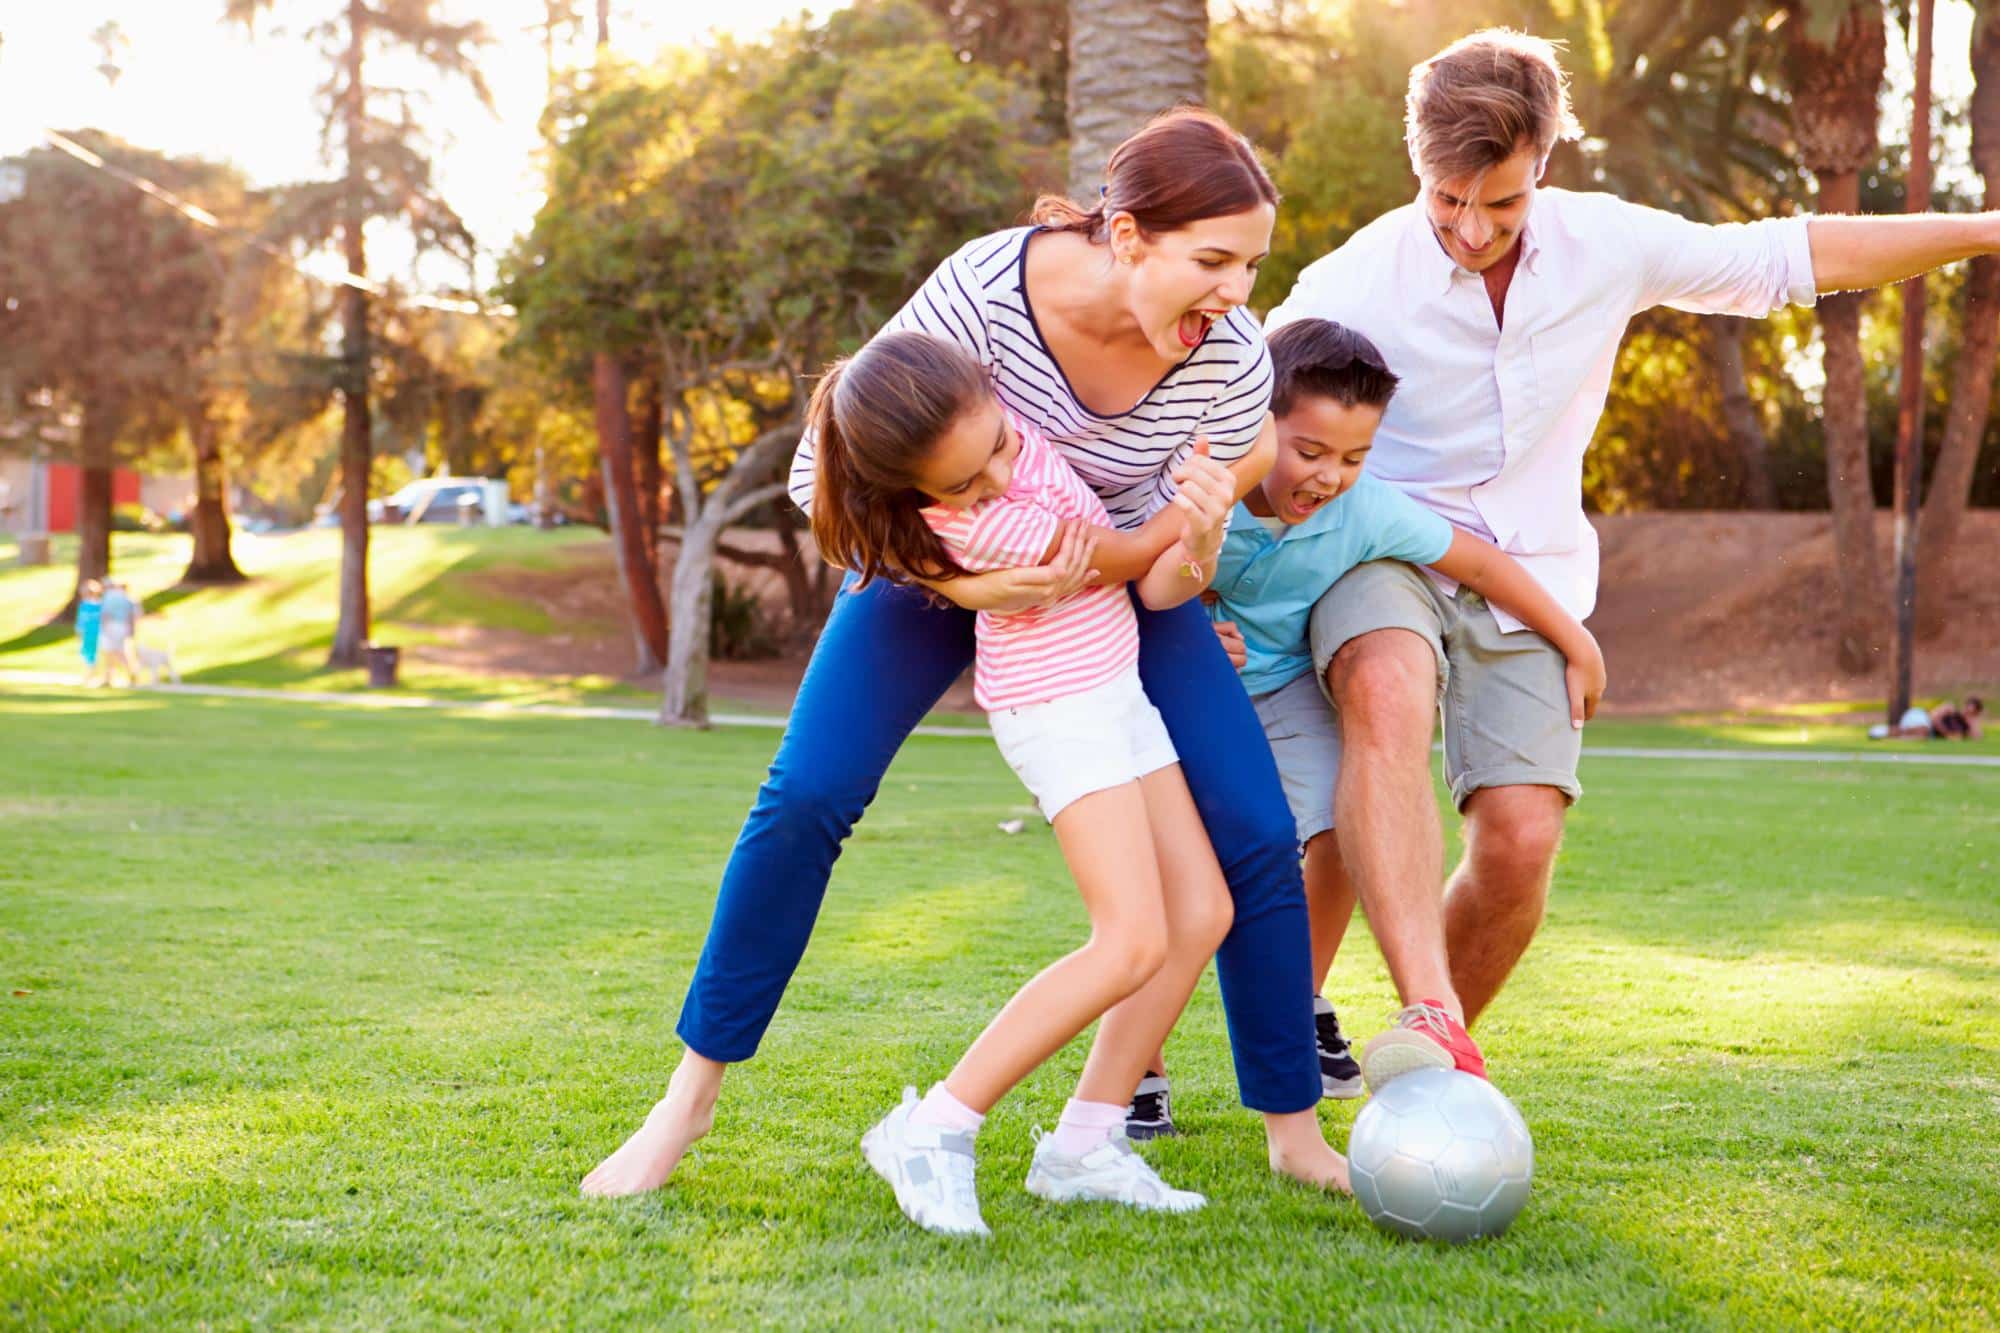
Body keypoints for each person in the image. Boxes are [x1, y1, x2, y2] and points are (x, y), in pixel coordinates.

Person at [583, 107, 1350, 1200]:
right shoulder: (986, 291)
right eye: (1212, 261)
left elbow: (1204, 514)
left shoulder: (1223, 357)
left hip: (1113, 575)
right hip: (927, 565)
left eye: (1250, 265)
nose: (1236, 295)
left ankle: (1283, 1128)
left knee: (1253, 829)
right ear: (1127, 236)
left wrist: (1204, 522)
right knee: (807, 793)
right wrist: (968, 585)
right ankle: (688, 1096)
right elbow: (823, 481)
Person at [1263, 27, 2000, 1089]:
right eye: (1446, 200)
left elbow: (1793, 255)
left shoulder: (1603, 243)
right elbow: (1240, 410)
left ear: (1545, 168)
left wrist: (1984, 228)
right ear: (1417, 169)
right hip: (1384, 552)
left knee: (1516, 840)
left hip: (1533, 571)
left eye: (1500, 203)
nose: (1470, 229)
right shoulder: (1351, 281)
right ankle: (1397, 1007)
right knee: (1381, 688)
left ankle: (1419, 1059)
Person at [804, 330, 1233, 1235]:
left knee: (1202, 913)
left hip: (1116, 691)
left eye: (998, 445)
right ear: (918, 493)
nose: (997, 477)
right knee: (1129, 941)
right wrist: (1204, 497)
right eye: (960, 485)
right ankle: (935, 1125)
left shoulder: (1007, 427)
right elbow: (1117, 556)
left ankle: (1084, 1143)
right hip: (1059, 709)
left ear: (996, 399)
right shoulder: (989, 522)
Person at [1136, 318, 1604, 1126]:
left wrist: (1576, 640)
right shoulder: (1194, 483)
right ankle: (1140, 1066)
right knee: (1176, 877)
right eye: (1310, 451)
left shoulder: (1365, 513)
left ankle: (1297, 1000)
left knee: (1342, 831)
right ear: (1258, 422)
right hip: (1184, 696)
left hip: (1284, 695)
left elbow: (1482, 563)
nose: (1330, 476)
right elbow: (1135, 581)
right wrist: (1191, 623)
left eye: (1354, 457)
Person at [1870, 697, 1986, 740]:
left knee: (1920, 737)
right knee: (1923, 729)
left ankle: (1883, 737)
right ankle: (1883, 730)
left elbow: (1977, 737)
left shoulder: (1965, 727)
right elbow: (1933, 719)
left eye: (1972, 712)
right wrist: (1946, 733)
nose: (1967, 713)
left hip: (1928, 735)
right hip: (1920, 717)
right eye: (1967, 709)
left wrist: (1973, 721)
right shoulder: (1950, 708)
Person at [94, 580, 139, 688]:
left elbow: (105, 614)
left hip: (111, 626)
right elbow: (133, 615)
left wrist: (103, 628)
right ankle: (126, 674)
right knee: (121, 651)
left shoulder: (108, 598)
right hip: (123, 627)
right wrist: (132, 629)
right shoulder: (127, 598)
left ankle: (112, 677)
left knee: (111, 653)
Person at [76, 580, 103, 685]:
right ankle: (90, 674)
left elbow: (81, 621)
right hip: (96, 631)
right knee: (92, 653)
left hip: (89, 632)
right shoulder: (100, 604)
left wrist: (79, 632)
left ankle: (89, 675)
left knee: (88, 653)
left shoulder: (85, 605)